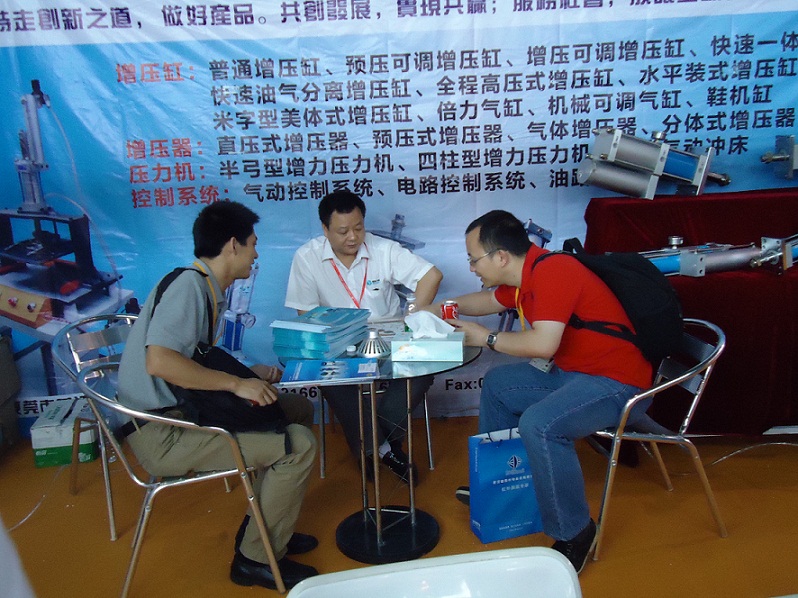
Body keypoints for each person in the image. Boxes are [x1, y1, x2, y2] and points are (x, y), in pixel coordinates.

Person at [429, 209, 653, 574]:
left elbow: (543, 344)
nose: (471, 267)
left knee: (541, 424)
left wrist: (486, 338)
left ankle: (576, 531)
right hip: (576, 375)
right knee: (499, 385)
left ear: (501, 256)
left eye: (474, 259)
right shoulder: (527, 274)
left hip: (618, 384)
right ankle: (500, 485)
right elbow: (488, 302)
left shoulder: (555, 271)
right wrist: (436, 309)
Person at [118, 201, 319, 590]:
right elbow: (159, 362)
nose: (256, 254)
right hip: (163, 431)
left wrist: (249, 374)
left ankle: (269, 522)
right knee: (298, 445)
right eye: (253, 244)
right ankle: (254, 559)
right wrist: (236, 384)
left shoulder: (206, 287)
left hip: (182, 410)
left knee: (295, 409)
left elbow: (194, 360)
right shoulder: (189, 287)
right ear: (233, 245)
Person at [285, 189, 443, 484]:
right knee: (332, 380)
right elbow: (306, 315)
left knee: (422, 372)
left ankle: (373, 447)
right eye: (343, 231)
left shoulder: (384, 249)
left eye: (358, 228)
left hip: (389, 341)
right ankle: (386, 451)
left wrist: (413, 314)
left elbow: (431, 276)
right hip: (339, 344)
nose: (353, 237)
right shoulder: (307, 258)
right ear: (325, 229)